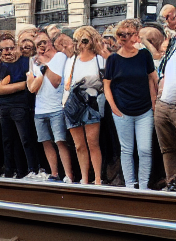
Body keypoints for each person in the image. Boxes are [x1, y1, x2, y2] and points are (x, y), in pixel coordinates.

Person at [103, 18, 158, 190]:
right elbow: (107, 85)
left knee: (145, 149)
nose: (136, 37)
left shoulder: (144, 55)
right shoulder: (113, 59)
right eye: (133, 34)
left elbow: (152, 78)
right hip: (122, 110)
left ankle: (143, 186)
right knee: (126, 150)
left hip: (144, 109)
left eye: (135, 33)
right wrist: (113, 107)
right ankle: (129, 185)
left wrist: (154, 102)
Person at [26, 29, 74, 183]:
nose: (41, 46)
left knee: (60, 141)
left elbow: (55, 82)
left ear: (50, 42)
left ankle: (69, 175)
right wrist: (39, 69)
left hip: (56, 107)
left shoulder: (59, 57)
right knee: (46, 141)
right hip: (40, 108)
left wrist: (45, 66)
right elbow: (32, 87)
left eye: (44, 42)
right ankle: (54, 173)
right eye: (38, 44)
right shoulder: (34, 60)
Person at [61, 26, 107, 185]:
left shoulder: (99, 59)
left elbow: (105, 82)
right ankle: (85, 178)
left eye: (85, 40)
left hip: (91, 103)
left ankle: (98, 179)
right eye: (77, 40)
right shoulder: (71, 60)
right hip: (73, 104)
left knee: (93, 142)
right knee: (79, 145)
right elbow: (67, 84)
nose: (81, 44)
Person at [0, 32, 40, 179]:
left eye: (11, 48)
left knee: (25, 139)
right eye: (4, 50)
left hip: (21, 106)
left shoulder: (27, 62)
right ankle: (11, 171)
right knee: (8, 141)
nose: (8, 52)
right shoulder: (1, 66)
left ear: (17, 48)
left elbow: (32, 82)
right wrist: (21, 85)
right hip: (4, 107)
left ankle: (33, 169)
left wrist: (8, 86)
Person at [154, 12, 176, 183]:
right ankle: (172, 183)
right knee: (167, 149)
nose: (169, 19)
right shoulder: (173, 43)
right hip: (164, 103)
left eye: (172, 16)